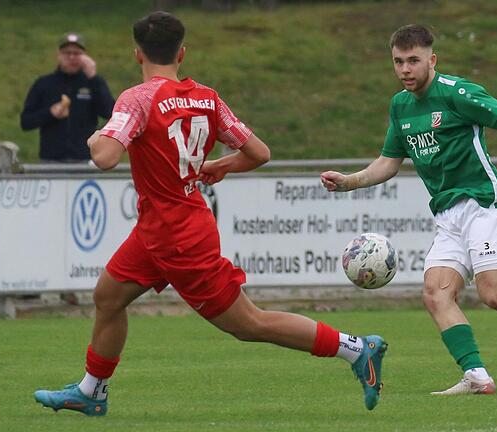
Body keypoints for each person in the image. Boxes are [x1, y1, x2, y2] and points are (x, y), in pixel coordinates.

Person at [33, 11, 387, 415]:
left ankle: (357, 349)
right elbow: (259, 153)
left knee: (249, 324)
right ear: (181, 52)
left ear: (137, 54)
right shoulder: (206, 97)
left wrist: (96, 136)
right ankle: (92, 391)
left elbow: (106, 157)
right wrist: (223, 164)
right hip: (163, 228)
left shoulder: (138, 98)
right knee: (108, 296)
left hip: (177, 238)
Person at [321, 24, 497, 395]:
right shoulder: (400, 106)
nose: (405, 69)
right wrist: (349, 181)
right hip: (447, 216)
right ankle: (476, 375)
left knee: (495, 294)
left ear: (432, 59)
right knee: (435, 294)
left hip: (483, 204)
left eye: (413, 60)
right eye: (398, 62)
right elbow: (389, 162)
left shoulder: (458, 93)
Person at [20, 33, 115, 162]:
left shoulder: (93, 83)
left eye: (77, 53)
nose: (71, 57)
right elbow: (26, 122)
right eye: (67, 53)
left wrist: (94, 78)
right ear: (59, 55)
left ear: (85, 56)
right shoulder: (44, 84)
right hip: (51, 160)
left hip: (84, 159)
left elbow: (110, 112)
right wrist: (50, 113)